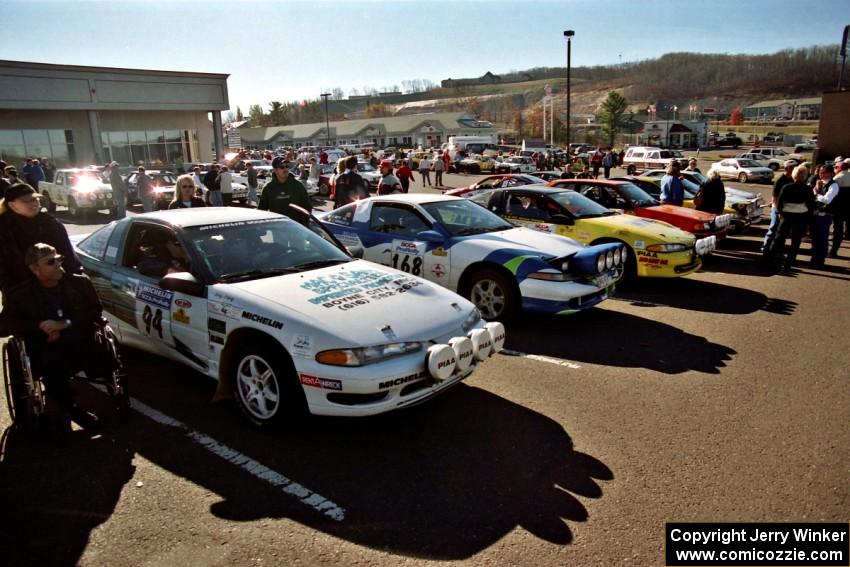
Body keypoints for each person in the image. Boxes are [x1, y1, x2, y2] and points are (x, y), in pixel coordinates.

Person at [0, 243, 110, 429]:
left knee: (99, 348)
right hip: (45, 348)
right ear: (35, 269)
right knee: (51, 362)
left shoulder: (80, 283)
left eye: (59, 259)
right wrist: (39, 327)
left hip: (80, 339)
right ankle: (71, 407)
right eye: (50, 262)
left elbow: (95, 311)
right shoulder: (20, 295)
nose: (58, 264)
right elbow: (3, 326)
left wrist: (63, 325)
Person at [0, 183, 83, 295]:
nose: (33, 203)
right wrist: (13, 291)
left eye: (35, 199)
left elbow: (69, 257)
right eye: (26, 200)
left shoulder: (51, 224)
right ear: (12, 205)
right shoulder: (4, 228)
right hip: (20, 293)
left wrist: (73, 282)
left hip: (56, 289)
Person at [767, 165, 815, 272]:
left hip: (786, 216)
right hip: (801, 217)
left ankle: (769, 260)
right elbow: (811, 206)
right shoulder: (808, 189)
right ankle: (788, 264)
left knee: (778, 238)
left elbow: (779, 203)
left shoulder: (787, 187)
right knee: (795, 241)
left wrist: (781, 213)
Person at [258, 156, 312, 224]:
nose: (285, 169)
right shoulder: (268, 188)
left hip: (297, 228)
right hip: (277, 228)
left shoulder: (298, 185)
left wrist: (304, 224)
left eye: (287, 166)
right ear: (274, 170)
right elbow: (262, 210)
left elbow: (307, 207)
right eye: (282, 167)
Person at [762, 160, 796, 253]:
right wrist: (778, 211)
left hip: (787, 209)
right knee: (773, 229)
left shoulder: (793, 179)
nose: (794, 169)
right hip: (777, 208)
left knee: (782, 232)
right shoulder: (780, 180)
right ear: (787, 169)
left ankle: (778, 251)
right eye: (793, 167)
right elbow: (775, 198)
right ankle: (765, 248)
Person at [810, 166, 839, 268]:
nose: (821, 174)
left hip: (825, 216)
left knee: (822, 239)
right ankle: (814, 260)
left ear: (831, 173)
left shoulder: (833, 185)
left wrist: (816, 193)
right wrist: (817, 188)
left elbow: (827, 200)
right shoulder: (820, 183)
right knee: (814, 239)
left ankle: (820, 261)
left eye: (823, 172)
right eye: (820, 172)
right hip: (816, 215)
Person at [829, 158, 850, 258]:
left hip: (839, 208)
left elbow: (833, 193)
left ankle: (833, 250)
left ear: (839, 168)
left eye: (835, 167)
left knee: (838, 230)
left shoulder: (838, 178)